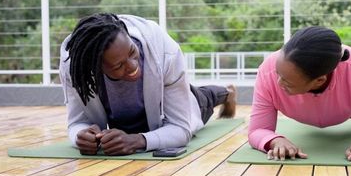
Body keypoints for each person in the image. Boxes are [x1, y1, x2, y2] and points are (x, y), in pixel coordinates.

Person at [59, 13, 236, 155]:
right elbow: (77, 123)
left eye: (132, 51)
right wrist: (80, 137)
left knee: (203, 98)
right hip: (130, 120)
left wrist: (136, 141)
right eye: (118, 65)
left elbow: (181, 129)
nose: (133, 66)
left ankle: (228, 93)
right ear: (95, 69)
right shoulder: (77, 69)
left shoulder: (165, 52)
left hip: (168, 105)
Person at [248, 26, 351, 162]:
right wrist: (274, 141)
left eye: (288, 82)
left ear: (319, 80)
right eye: (277, 73)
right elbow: (257, 130)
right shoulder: (267, 71)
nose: (278, 82)